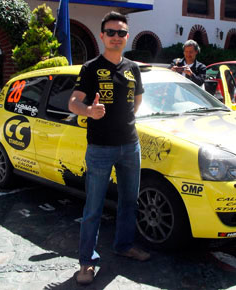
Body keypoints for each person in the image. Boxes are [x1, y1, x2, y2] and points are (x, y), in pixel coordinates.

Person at [68, 11, 150, 286]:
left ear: (127, 37)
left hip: (130, 145)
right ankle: (86, 263)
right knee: (94, 206)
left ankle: (124, 245)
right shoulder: (90, 67)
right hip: (100, 148)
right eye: (111, 32)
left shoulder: (133, 68)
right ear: (102, 36)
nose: (116, 37)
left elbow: (137, 102)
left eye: (121, 33)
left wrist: (122, 121)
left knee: (129, 202)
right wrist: (89, 111)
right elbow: (73, 103)